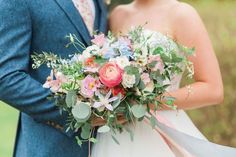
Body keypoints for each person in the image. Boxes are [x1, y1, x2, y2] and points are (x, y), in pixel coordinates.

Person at [91, 0, 232, 156]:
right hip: (116, 135)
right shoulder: (117, 14)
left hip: (160, 131)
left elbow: (213, 89)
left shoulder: (182, 14)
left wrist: (147, 102)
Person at [0, 0, 107, 156]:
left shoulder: (98, 3)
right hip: (49, 146)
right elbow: (6, 78)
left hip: (106, 144)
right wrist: (77, 113)